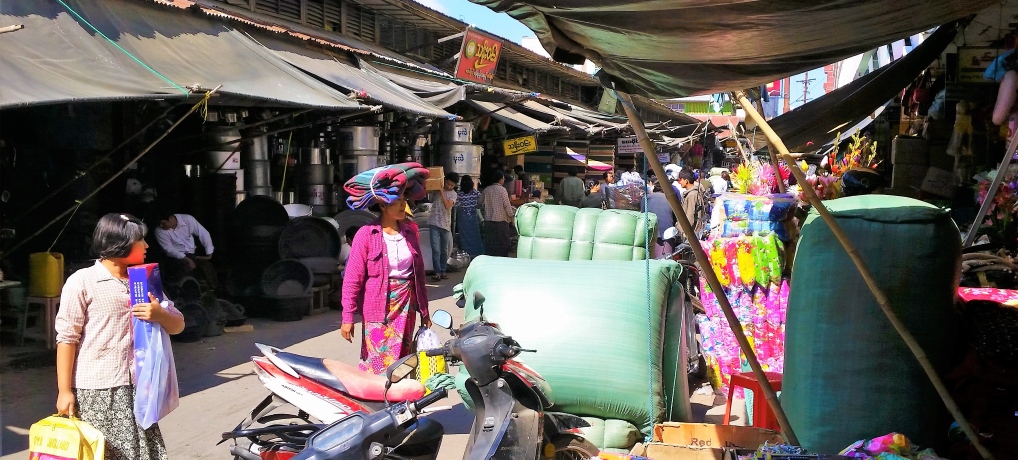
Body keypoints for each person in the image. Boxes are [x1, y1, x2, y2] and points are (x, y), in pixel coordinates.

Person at [55, 213, 185, 460]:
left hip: (140, 388)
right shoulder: (82, 282)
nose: (147, 246)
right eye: (140, 240)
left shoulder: (145, 281)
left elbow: (178, 325)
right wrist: (64, 391)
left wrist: (159, 314)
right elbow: (66, 339)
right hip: (97, 392)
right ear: (120, 243)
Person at [341, 190, 431, 375]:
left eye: (404, 200)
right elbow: (352, 278)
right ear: (382, 205)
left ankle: (397, 398)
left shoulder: (410, 232)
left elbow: (419, 276)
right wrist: (347, 317)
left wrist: (425, 312)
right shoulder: (366, 234)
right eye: (397, 201)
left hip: (406, 305)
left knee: (403, 359)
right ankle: (378, 398)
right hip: (376, 305)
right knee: (378, 358)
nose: (402, 205)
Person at [154, 212, 215, 286]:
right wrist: (187, 259)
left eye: (163, 223)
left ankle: (215, 290)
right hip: (175, 257)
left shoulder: (187, 220)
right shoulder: (159, 231)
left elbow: (203, 233)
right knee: (185, 269)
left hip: (192, 254)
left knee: (208, 267)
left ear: (170, 218)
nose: (161, 226)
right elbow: (169, 249)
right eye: (159, 224)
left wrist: (209, 254)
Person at [427, 172, 458, 281]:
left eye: (452, 185)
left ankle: (443, 271)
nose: (449, 186)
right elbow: (427, 191)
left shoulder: (453, 194)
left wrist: (442, 191)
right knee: (436, 249)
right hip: (434, 222)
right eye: (448, 184)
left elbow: (447, 205)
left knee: (444, 250)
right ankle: (437, 272)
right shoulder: (437, 189)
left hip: (445, 225)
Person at [480, 170, 516, 257]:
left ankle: (490, 259)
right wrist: (512, 215)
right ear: (501, 179)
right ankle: (501, 260)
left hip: (488, 222)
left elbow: (480, 202)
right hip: (501, 222)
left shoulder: (487, 189)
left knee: (491, 243)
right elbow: (507, 206)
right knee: (503, 244)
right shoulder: (502, 190)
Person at [644, 180, 676, 258]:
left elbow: (642, 215)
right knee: (666, 260)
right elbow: (676, 217)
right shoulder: (670, 199)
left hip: (650, 233)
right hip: (666, 233)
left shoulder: (646, 198)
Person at [677, 168, 711, 239]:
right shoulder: (692, 193)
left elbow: (690, 216)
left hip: (691, 234)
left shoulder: (692, 195)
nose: (679, 182)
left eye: (680, 180)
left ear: (686, 181)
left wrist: (684, 233)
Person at [455, 175, 484, 257]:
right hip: (473, 218)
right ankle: (476, 254)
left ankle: (465, 254)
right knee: (475, 236)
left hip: (463, 218)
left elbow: (455, 205)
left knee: (464, 237)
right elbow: (480, 204)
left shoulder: (459, 194)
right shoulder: (476, 193)